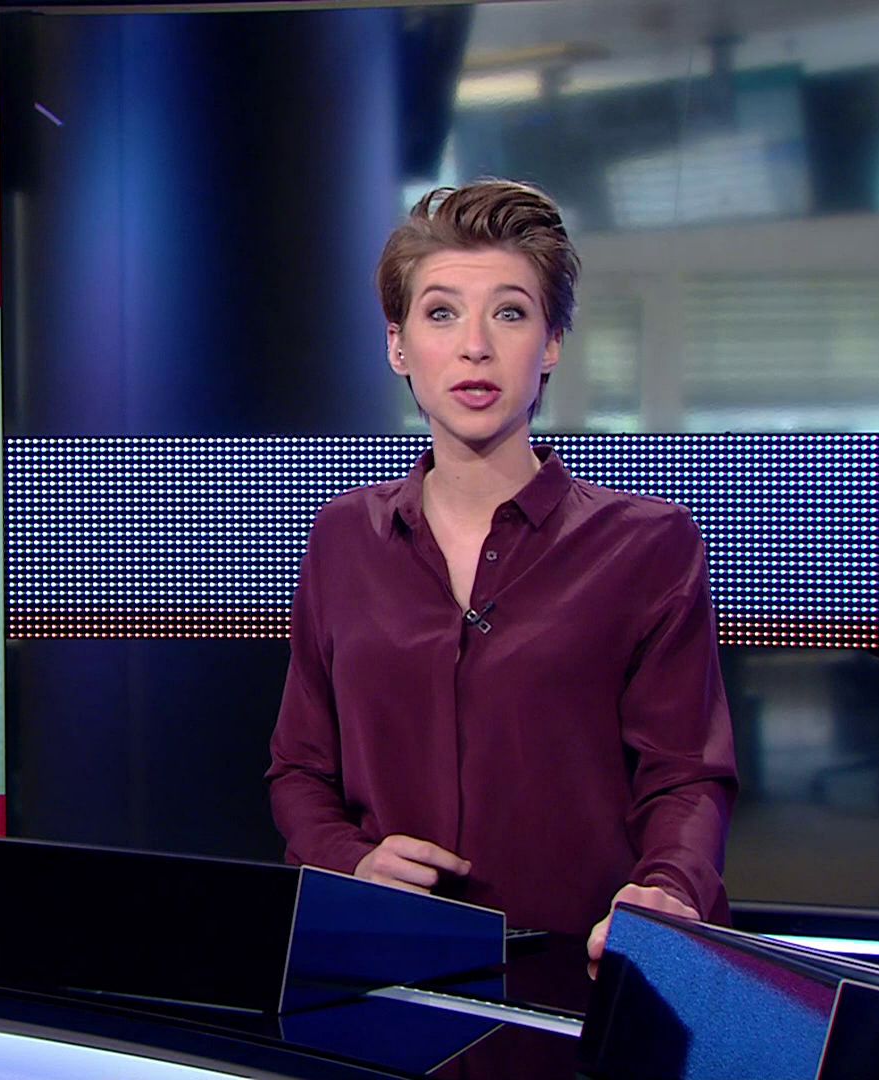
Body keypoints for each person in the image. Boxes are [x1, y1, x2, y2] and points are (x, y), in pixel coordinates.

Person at [264, 179, 737, 971]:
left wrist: (668, 888)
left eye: (510, 313)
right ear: (398, 346)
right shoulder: (344, 536)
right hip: (388, 972)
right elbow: (300, 767)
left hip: (582, 972)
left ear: (550, 344)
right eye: (441, 313)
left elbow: (686, 775)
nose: (475, 346)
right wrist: (349, 861)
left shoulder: (647, 543)